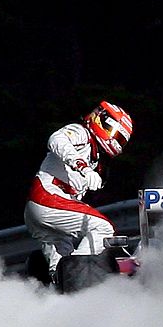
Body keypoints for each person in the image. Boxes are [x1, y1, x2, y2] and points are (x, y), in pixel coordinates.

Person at [23, 101, 133, 285]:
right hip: (47, 197)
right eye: (117, 136)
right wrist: (83, 167)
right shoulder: (81, 132)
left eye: (121, 140)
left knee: (59, 269)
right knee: (103, 227)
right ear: (102, 121)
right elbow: (56, 140)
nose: (117, 142)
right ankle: (83, 285)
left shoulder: (97, 159)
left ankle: (60, 300)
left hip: (42, 209)